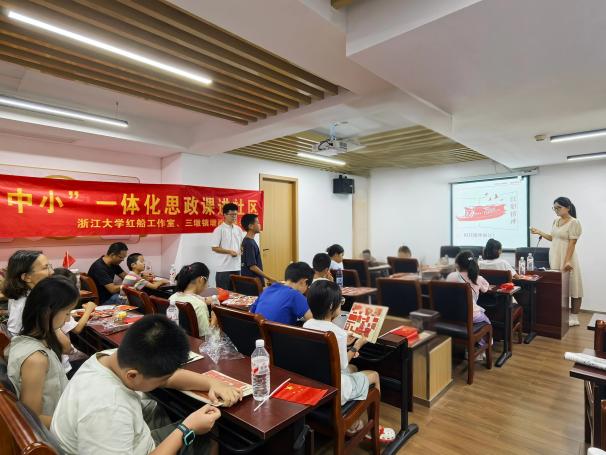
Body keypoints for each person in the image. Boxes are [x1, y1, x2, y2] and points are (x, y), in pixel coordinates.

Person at [50, 314, 242, 455]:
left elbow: (170, 377)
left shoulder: (110, 358)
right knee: (209, 433)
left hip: (134, 440)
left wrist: (211, 382)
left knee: (164, 409)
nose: (166, 381)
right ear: (133, 376)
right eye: (161, 380)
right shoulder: (108, 408)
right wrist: (186, 428)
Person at [303, 281, 393, 441]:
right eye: (341, 301)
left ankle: (354, 423)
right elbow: (341, 365)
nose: (341, 305)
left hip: (316, 383)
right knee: (374, 375)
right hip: (335, 390)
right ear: (332, 305)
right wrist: (357, 345)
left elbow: (324, 354)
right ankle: (373, 428)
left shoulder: (307, 324)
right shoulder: (337, 333)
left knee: (353, 368)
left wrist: (344, 343)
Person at [6, 276, 79, 427]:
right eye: (67, 313)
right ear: (47, 312)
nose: (68, 320)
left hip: (61, 412)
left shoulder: (25, 340)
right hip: (54, 428)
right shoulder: (36, 359)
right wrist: (76, 426)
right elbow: (33, 418)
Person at [531, 196, 583, 326]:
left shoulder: (574, 222)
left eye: (558, 208)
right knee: (559, 287)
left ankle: (574, 317)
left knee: (574, 286)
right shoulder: (555, 221)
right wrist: (539, 232)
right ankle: (562, 315)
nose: (556, 210)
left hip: (568, 258)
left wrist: (567, 261)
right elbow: (552, 238)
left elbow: (572, 243)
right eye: (554, 208)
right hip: (555, 256)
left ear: (568, 207)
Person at [52, 268, 95, 376]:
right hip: (65, 365)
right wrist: (89, 310)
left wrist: (70, 314)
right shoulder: (59, 307)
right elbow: (77, 329)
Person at [3, 250, 54, 337]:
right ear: (26, 277)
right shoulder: (24, 303)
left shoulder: (33, 294)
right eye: (45, 268)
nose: (52, 272)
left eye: (50, 266)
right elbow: (14, 335)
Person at [446, 251, 491, 350]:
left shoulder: (451, 276)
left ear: (457, 265)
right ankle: (481, 347)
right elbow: (485, 289)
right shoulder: (478, 278)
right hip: (472, 315)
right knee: (487, 322)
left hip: (451, 315)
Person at [169, 262, 217, 337]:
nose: (207, 284)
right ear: (201, 280)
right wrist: (214, 318)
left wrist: (203, 299)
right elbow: (206, 338)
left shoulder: (172, 297)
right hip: (195, 343)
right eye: (207, 280)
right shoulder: (199, 305)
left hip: (177, 339)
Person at [211, 203, 244, 290]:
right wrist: (229, 252)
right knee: (223, 294)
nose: (234, 217)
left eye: (236, 214)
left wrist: (242, 250)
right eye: (232, 214)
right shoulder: (219, 230)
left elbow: (241, 245)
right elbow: (214, 247)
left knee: (237, 293)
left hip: (236, 267)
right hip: (223, 268)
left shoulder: (238, 229)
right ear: (225, 215)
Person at [240, 213, 277, 284]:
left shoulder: (248, 241)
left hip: (252, 281)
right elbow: (252, 267)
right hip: (252, 283)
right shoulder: (249, 243)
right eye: (258, 223)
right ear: (250, 226)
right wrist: (269, 278)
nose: (260, 225)